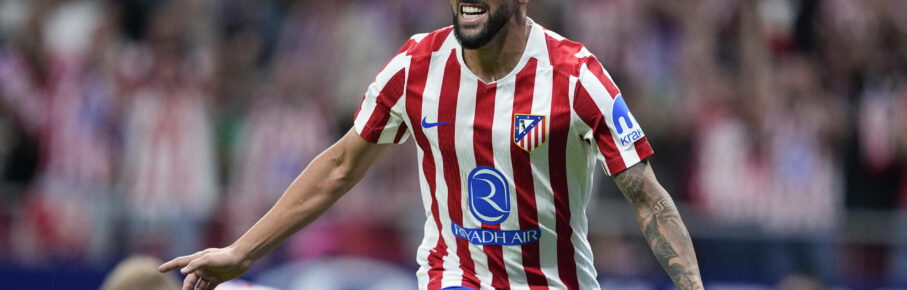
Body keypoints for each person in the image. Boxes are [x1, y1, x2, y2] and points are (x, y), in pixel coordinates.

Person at [159, 1, 704, 289]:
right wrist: (240, 252)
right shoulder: (417, 67)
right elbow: (340, 166)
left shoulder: (576, 77)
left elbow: (647, 197)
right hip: (453, 279)